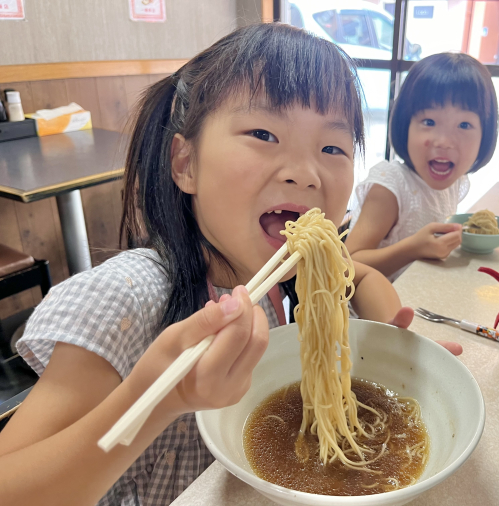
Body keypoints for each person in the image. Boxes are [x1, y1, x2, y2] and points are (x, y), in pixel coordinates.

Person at [0, 24, 461, 506]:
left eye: (332, 148)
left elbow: (358, 273)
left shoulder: (297, 273)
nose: (305, 173)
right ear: (186, 164)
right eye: (264, 133)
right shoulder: (128, 298)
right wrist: (158, 397)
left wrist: (392, 330)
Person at [345, 53, 499, 281]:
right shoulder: (391, 187)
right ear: (405, 125)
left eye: (464, 125)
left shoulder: (455, 182)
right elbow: (347, 266)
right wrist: (413, 248)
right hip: (373, 314)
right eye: (429, 122)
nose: (444, 141)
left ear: (485, 134)